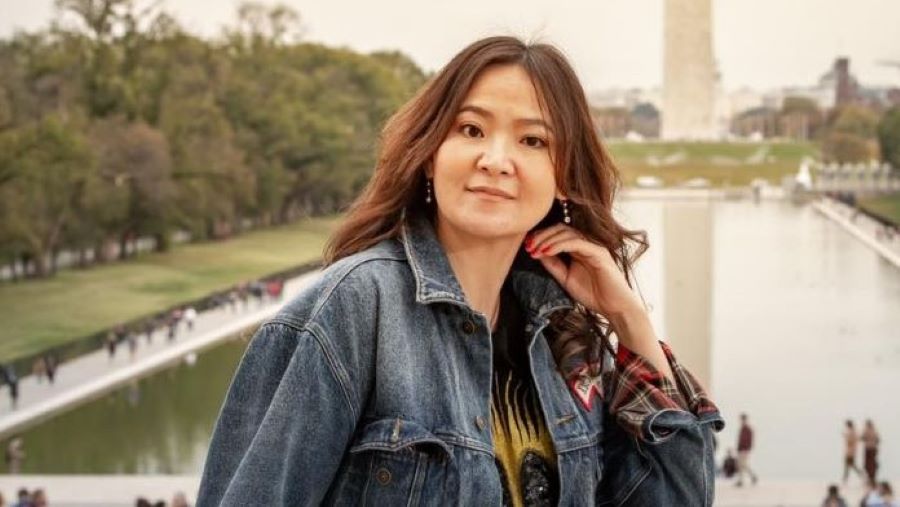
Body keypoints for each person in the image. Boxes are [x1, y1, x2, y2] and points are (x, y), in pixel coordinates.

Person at [197, 35, 723, 506]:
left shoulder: (564, 340)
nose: (495, 160)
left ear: (563, 178)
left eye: (532, 141)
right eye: (471, 129)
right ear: (430, 155)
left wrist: (630, 321)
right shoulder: (354, 308)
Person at [736, 412, 758, 486]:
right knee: (741, 465)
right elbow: (740, 439)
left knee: (743, 465)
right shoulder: (742, 428)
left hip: (745, 449)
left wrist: (747, 448)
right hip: (741, 449)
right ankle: (747, 478)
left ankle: (746, 479)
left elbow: (749, 440)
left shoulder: (748, 429)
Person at [862, 419, 881, 485]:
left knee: (869, 464)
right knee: (872, 464)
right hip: (873, 448)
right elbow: (878, 440)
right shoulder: (875, 430)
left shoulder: (866, 430)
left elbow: (863, 438)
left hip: (869, 449)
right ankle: (872, 478)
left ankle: (871, 478)